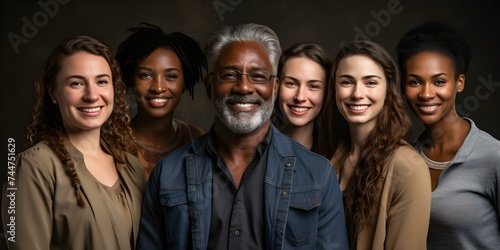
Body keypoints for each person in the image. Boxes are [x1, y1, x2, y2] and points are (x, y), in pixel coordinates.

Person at [136, 23, 349, 249]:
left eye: (257, 76)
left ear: (275, 88)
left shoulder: (319, 175)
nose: (244, 87)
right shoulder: (168, 173)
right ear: (209, 86)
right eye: (229, 75)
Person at [1, 36, 147, 249]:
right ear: (53, 91)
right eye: (76, 83)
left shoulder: (131, 166)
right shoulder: (34, 167)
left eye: (102, 81)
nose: (91, 95)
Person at [396, 20, 500, 249]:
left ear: (459, 83)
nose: (426, 93)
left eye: (439, 81)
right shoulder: (404, 158)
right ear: (403, 86)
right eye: (415, 81)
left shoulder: (494, 157)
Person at [325, 40, 431, 249]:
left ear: (388, 89)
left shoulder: (408, 167)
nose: (357, 94)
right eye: (346, 82)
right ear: (334, 89)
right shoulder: (331, 157)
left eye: (371, 82)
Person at [115, 22, 206, 176]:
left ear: (185, 82)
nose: (158, 88)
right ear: (130, 79)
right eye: (146, 75)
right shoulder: (113, 142)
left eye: (170, 76)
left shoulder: (194, 137)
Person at [272, 42, 332, 158]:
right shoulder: (255, 150)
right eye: (291, 83)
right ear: (276, 86)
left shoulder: (337, 158)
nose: (300, 97)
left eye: (313, 86)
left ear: (327, 92)